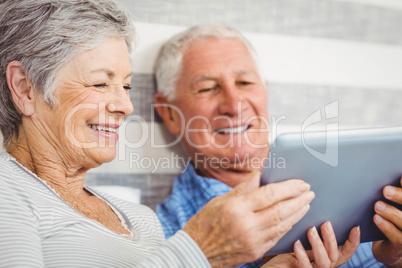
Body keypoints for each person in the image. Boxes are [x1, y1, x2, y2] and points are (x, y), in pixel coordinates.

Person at [0, 1, 319, 267]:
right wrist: (199, 250)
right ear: (25, 88)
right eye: (100, 83)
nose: (125, 106)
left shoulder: (139, 219)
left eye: (126, 86)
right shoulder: (7, 190)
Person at [153, 24, 402, 267]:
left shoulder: (359, 185)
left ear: (265, 91)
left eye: (245, 83)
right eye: (207, 88)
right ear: (170, 113)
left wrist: (395, 258)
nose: (234, 104)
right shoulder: (164, 239)